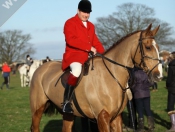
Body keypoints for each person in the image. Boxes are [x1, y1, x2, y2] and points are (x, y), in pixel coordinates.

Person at [61, 0, 105, 113]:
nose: (86, 15)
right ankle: (66, 102)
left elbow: (95, 41)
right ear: (78, 11)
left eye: (88, 13)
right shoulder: (70, 23)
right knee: (77, 70)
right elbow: (71, 40)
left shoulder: (91, 25)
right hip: (74, 56)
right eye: (84, 12)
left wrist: (104, 54)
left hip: (88, 58)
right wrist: (89, 48)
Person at [131, 67, 154, 132]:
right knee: (148, 109)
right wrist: (146, 85)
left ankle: (141, 128)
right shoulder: (146, 72)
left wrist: (134, 89)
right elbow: (151, 83)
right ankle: (151, 127)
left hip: (138, 94)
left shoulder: (134, 73)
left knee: (140, 111)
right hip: (146, 93)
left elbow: (132, 84)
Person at [166, 51, 175, 132]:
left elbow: (169, 80)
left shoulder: (171, 66)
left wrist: (167, 85)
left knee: (170, 106)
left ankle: (173, 125)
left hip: (172, 88)